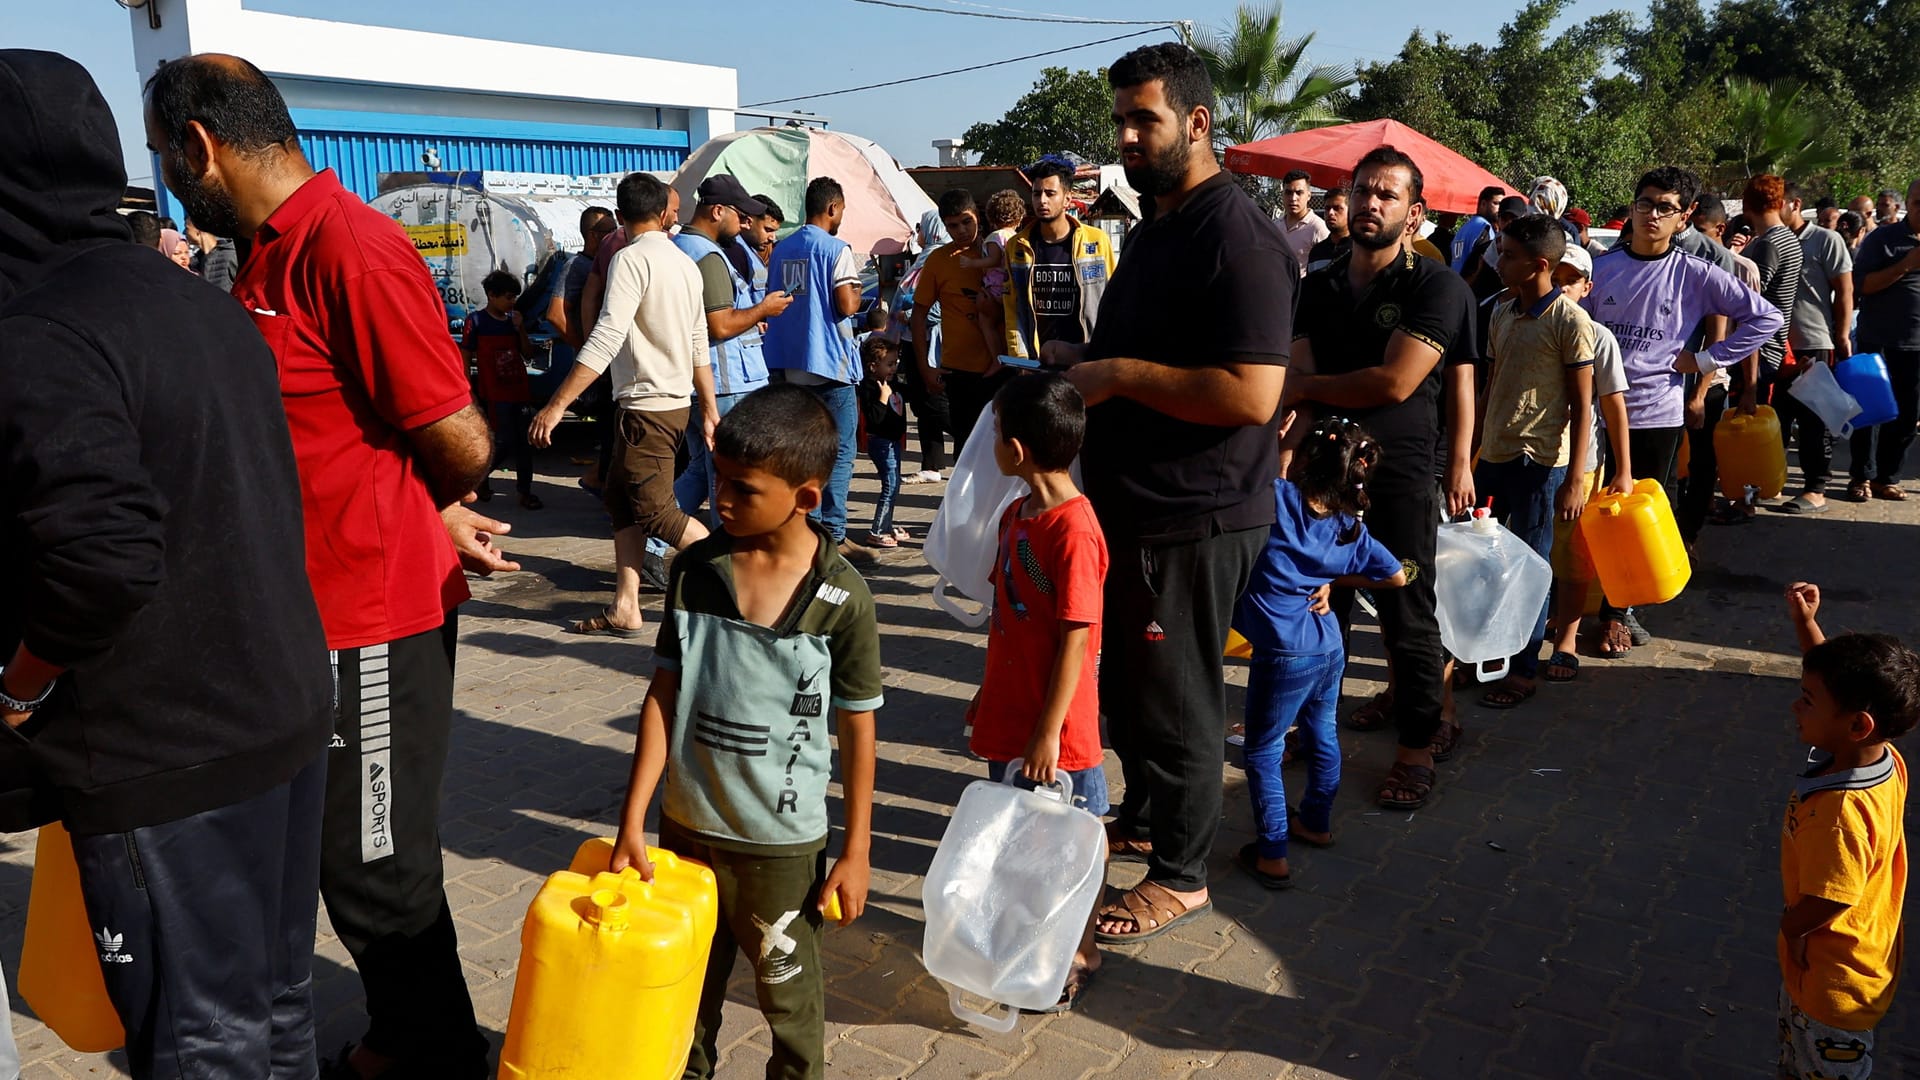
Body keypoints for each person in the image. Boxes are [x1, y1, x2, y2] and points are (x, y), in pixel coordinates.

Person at [144, 53, 512, 1079]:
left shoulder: (350, 248)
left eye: (164, 153)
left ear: (200, 145)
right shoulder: (267, 254)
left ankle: (439, 1054)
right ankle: (405, 1036)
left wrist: (431, 499)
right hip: (310, 618)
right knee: (337, 856)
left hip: (375, 620)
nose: (167, 173)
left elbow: (460, 437)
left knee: (378, 868)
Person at [2, 49, 333, 1077]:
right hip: (273, 713)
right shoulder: (189, 299)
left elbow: (102, 555)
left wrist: (19, 685)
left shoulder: (39, 330)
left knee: (204, 1045)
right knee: (273, 1013)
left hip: (165, 752)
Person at [1048, 43, 1290, 944]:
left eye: (1142, 119)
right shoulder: (1158, 226)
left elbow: (1252, 393)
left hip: (1199, 508)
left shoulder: (1240, 237)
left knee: (1182, 692)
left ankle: (1182, 875)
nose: (1126, 137)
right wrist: (1081, 370)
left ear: (1197, 121)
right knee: (1139, 687)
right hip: (1137, 500)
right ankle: (1147, 815)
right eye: (1119, 120)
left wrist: (1114, 375)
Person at [609, 384, 881, 1080]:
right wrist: (633, 819)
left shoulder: (842, 599)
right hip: (687, 831)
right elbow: (664, 694)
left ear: (807, 498)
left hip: (781, 853)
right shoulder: (696, 572)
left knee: (788, 999)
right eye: (718, 478)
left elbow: (857, 730)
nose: (720, 500)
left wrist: (856, 851)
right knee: (686, 988)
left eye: (743, 488)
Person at [1288, 146, 1477, 811]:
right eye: (1363, 190)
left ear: (1416, 214)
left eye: (1388, 195)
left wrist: (1308, 387)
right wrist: (1292, 435)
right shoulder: (1317, 284)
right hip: (1322, 474)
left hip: (1397, 475)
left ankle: (1417, 748)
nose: (1371, 202)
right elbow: (1300, 381)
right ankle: (1313, 728)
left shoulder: (1436, 287)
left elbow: (1396, 381)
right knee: (1318, 606)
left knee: (1406, 610)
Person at [1582, 165, 1780, 657]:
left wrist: (1706, 361)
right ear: (1632, 206)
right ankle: (1574, 605)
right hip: (1594, 415)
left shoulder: (1696, 273)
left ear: (1684, 216)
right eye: (1645, 203)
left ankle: (1618, 612)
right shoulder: (1599, 269)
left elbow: (1766, 317)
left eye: (1665, 207)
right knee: (1585, 510)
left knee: (1638, 516)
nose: (1652, 215)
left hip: (1656, 412)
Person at [964, 372, 1108, 1007]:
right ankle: (1031, 940)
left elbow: (1078, 637)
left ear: (1016, 451)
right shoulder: (1018, 513)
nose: (992, 443)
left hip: (1059, 733)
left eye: (996, 433)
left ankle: (1080, 950)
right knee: (1021, 840)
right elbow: (1008, 612)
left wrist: (1049, 731)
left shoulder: (1074, 531)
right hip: (1013, 712)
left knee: (1074, 841)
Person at [530, 172, 717, 635]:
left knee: (656, 513)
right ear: (664, 213)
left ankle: (738, 579)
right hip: (666, 404)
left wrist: (556, 405)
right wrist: (709, 409)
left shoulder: (630, 260)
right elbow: (699, 343)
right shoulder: (684, 264)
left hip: (646, 407)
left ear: (620, 217)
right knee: (619, 502)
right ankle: (625, 606)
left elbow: (606, 337)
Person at [1231, 417, 1405, 891]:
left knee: (1263, 751)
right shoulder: (1350, 528)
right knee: (1322, 735)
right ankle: (1317, 822)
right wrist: (1333, 578)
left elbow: (1257, 470)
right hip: (1329, 646)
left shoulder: (1280, 502)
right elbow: (1399, 575)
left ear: (1307, 459)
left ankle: (1272, 855)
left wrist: (1279, 438)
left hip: (1284, 653)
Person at [1777, 582, 1919, 1079]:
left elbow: (1834, 896)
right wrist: (1806, 625)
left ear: (1857, 725)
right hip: (1846, 964)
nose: (1797, 707)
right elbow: (1833, 683)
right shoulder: (1885, 756)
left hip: (1832, 985)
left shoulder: (1840, 812)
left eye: (1807, 700)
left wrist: (1790, 929)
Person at [1473, 215, 1596, 708]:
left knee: (1531, 565)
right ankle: (1477, 656)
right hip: (1493, 454)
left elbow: (1583, 404)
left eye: (1508, 255)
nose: (1498, 262)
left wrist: (1575, 480)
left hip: (1542, 463)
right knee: (1480, 562)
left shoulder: (1570, 321)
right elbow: (1489, 386)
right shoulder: (1501, 312)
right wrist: (1467, 451)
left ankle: (1523, 668)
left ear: (1540, 265)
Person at [672, 175, 793, 525]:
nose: (744, 224)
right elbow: (720, 325)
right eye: (739, 215)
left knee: (703, 468)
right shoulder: (707, 255)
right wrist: (762, 310)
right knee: (727, 475)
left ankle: (650, 542)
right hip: (726, 382)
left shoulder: (682, 247)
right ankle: (724, 555)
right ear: (717, 211)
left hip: (704, 378)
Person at [761, 177, 870, 561]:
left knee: (803, 453)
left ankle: (804, 531)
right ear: (833, 208)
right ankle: (833, 534)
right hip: (829, 366)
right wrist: (856, 291)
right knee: (839, 452)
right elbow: (847, 305)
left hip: (789, 361)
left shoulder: (783, 248)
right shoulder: (836, 249)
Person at [1540, 244, 1632, 683]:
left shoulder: (1599, 337)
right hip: (1527, 460)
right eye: (1554, 277)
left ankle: (1566, 641)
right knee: (1530, 553)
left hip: (1582, 465)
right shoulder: (1524, 324)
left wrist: (1623, 470)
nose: (1560, 287)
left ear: (1587, 287)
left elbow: (1614, 409)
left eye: (1570, 280)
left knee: (1574, 558)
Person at [1778, 180, 1854, 515]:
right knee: (1777, 420)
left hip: (1814, 343)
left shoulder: (1827, 239)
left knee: (1814, 423)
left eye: (1776, 204)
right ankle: (1771, 482)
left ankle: (1815, 490)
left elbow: (1845, 290)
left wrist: (1842, 335)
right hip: (1776, 347)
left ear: (1794, 205)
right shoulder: (1770, 242)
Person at [1844, 179, 1920, 503]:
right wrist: (1907, 265)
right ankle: (1861, 476)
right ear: (1908, 205)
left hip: (1916, 347)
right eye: (1918, 202)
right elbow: (1861, 285)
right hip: (1880, 342)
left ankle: (1887, 477)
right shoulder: (1883, 239)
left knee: (1907, 417)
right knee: (1870, 413)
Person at [914, 189, 1006, 445]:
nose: (962, 230)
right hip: (960, 374)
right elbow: (918, 315)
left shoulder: (1000, 252)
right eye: (953, 226)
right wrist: (925, 368)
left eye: (967, 222)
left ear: (978, 216)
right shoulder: (938, 261)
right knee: (967, 452)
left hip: (1002, 368)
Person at [1001, 157, 1115, 362]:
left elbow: (1115, 299)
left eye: (1050, 193)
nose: (1042, 200)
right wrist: (1020, 359)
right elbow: (1012, 309)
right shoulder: (1017, 246)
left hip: (1087, 361)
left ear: (1067, 199)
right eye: (1037, 194)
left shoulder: (1096, 241)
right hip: (1037, 364)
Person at [463, 270, 542, 509]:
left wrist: (520, 329)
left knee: (525, 443)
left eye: (514, 297)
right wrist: (468, 389)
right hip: (495, 393)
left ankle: (525, 492)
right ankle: (480, 478)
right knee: (503, 441)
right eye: (507, 297)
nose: (512, 302)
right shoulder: (476, 322)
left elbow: (528, 353)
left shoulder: (513, 321)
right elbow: (465, 356)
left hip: (519, 391)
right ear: (491, 295)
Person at [896, 208, 954, 482]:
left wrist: (907, 315)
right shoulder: (926, 256)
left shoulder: (938, 258)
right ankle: (931, 463)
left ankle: (971, 438)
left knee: (932, 401)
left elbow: (938, 306)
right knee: (922, 403)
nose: (916, 231)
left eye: (920, 226)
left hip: (931, 340)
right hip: (918, 337)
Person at [855, 335, 910, 547]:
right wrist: (883, 397)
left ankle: (887, 525)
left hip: (893, 441)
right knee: (890, 485)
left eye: (895, 363)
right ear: (872, 366)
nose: (893, 368)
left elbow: (909, 393)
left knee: (894, 485)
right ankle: (877, 530)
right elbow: (874, 419)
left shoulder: (893, 382)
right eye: (889, 364)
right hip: (880, 441)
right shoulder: (870, 388)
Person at [557, 205, 615, 351]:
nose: (614, 235)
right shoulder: (577, 266)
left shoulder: (604, 262)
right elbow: (556, 314)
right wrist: (584, 350)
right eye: (609, 231)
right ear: (593, 235)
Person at [1277, 169, 1327, 276]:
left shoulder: (1318, 228)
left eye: (1299, 193)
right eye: (1288, 193)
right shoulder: (1275, 226)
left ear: (1309, 196)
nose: (1293, 198)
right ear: (1283, 195)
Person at [183, 215, 236, 289]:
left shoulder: (229, 256)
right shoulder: (195, 262)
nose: (184, 232)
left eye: (187, 228)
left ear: (198, 229)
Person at [1306, 188, 1349, 273]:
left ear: (1350, 211)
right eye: (1327, 208)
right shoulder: (1316, 252)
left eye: (1337, 208)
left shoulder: (1359, 250)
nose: (1331, 213)